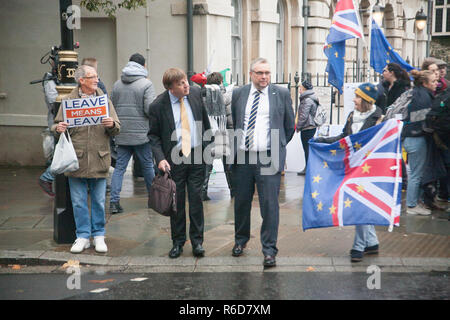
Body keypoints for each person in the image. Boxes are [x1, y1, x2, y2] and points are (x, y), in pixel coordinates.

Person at [230, 58, 295, 268]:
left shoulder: (281, 94)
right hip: (243, 156)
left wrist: (277, 147)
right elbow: (236, 120)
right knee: (240, 203)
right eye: (259, 73)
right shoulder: (239, 93)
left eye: (267, 72)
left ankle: (269, 250)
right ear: (251, 74)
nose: (264, 76)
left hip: (268, 156)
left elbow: (289, 126)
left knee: (269, 205)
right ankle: (240, 240)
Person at [52, 65, 121, 254]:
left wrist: (111, 124)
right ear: (81, 80)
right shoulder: (68, 101)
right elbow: (56, 126)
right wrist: (58, 129)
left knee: (99, 201)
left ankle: (99, 235)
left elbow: (117, 127)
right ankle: (82, 236)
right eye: (92, 77)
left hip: (99, 158)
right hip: (77, 159)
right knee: (78, 201)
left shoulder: (104, 101)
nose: (97, 79)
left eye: (96, 76)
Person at [315, 83, 383, 262]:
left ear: (367, 100)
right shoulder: (353, 115)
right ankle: (372, 242)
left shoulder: (379, 118)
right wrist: (323, 141)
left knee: (359, 206)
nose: (354, 99)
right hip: (352, 167)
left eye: (358, 97)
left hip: (368, 170)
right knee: (360, 205)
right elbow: (344, 138)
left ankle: (358, 246)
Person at [148, 67, 211, 259]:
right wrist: (160, 159)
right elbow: (153, 136)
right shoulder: (158, 105)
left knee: (196, 199)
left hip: (197, 155)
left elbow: (205, 123)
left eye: (185, 81)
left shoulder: (195, 95)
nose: (186, 85)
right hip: (174, 158)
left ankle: (197, 241)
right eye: (181, 83)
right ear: (170, 88)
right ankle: (178, 241)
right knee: (176, 202)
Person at [109, 53, 156, 214]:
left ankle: (114, 202)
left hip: (122, 133)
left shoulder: (117, 84)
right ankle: (153, 199)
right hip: (142, 134)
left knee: (119, 168)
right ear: (143, 66)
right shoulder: (146, 84)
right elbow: (150, 109)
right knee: (148, 166)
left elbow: (111, 107)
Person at [403, 70, 437, 216]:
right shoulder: (423, 97)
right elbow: (422, 121)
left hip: (410, 138)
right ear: (425, 83)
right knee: (416, 174)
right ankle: (411, 205)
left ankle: (414, 202)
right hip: (416, 139)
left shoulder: (416, 92)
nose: (436, 84)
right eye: (433, 81)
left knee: (414, 172)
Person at [200, 71, 234, 200]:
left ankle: (203, 192)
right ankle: (233, 191)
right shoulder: (227, 95)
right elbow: (231, 118)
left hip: (208, 134)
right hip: (224, 133)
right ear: (221, 82)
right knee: (228, 166)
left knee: (207, 165)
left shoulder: (202, 96)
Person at [38, 59, 58, 197]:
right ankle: (47, 177)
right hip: (57, 122)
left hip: (60, 122)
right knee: (64, 155)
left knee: (59, 154)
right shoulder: (50, 80)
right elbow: (54, 101)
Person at [295, 80, 319, 176]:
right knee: (307, 148)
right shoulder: (311, 98)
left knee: (306, 149)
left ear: (304, 89)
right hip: (311, 126)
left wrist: (298, 127)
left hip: (307, 127)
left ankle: (308, 168)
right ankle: (308, 167)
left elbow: (303, 116)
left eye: (300, 89)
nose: (299, 91)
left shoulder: (307, 100)